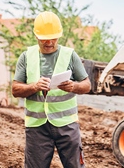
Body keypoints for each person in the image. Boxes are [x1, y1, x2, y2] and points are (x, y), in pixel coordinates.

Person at [12, 11, 91, 168]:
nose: (49, 42)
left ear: (59, 35)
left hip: (67, 124)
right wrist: (34, 86)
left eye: (53, 38)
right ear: (36, 36)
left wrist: (73, 86)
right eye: (44, 39)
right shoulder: (26, 57)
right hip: (37, 127)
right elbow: (15, 89)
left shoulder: (70, 55)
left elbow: (87, 85)